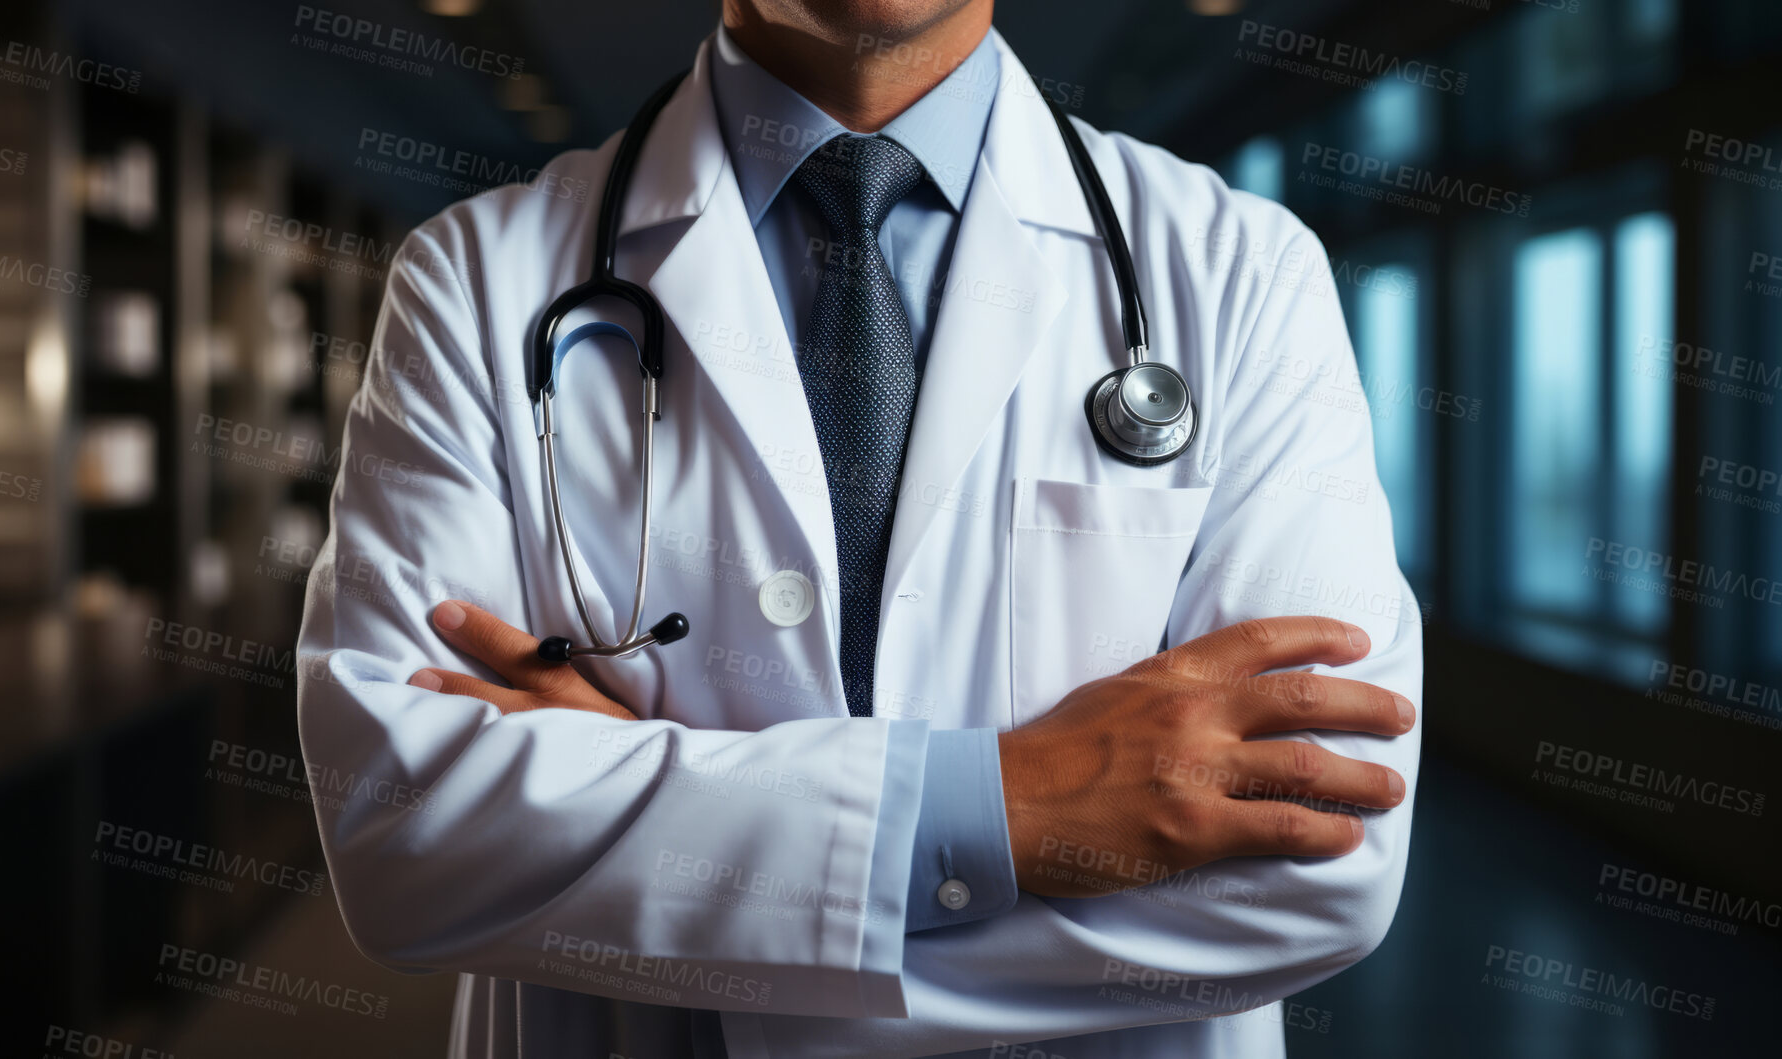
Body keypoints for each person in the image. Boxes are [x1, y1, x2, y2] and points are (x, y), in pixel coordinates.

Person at [295, 0, 1423, 1055]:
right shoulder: (475, 279)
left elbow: (1313, 858)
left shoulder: (1237, 271)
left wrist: (666, 874)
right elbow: (408, 836)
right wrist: (1001, 810)